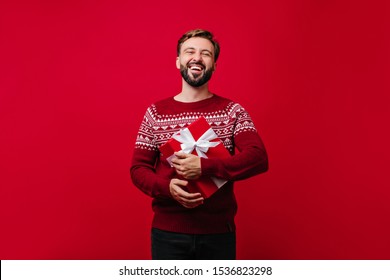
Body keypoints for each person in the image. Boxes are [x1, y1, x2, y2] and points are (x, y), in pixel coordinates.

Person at [130, 29, 268, 260]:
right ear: (178, 61)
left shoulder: (232, 111)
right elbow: (138, 169)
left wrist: (205, 167)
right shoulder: (156, 113)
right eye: (190, 51)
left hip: (218, 233)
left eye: (206, 54)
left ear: (214, 65)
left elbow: (258, 158)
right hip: (167, 233)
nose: (197, 57)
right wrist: (168, 189)